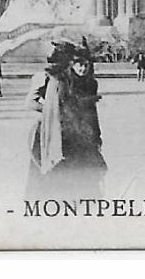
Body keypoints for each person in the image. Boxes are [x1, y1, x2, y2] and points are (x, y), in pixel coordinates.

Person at [26, 40, 107, 199]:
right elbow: (31, 102)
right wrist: (52, 111)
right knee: (55, 175)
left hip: (81, 134)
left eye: (86, 65)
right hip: (57, 131)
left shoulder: (90, 84)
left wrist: (96, 135)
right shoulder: (55, 80)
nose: (82, 68)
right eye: (78, 64)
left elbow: (92, 112)